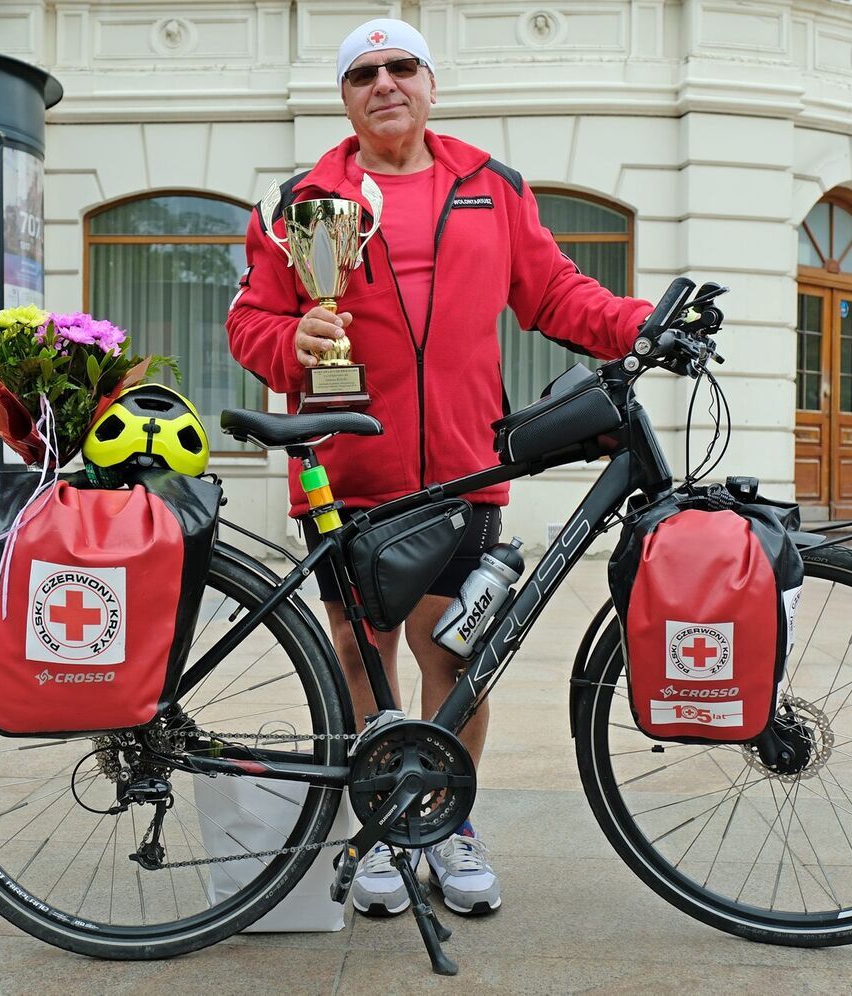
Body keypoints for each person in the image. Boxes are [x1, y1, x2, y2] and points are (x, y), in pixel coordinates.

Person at [226, 18, 653, 920]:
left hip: (463, 467)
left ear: (430, 83)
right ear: (345, 98)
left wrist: (639, 324)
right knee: (360, 651)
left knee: (455, 657)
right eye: (363, 73)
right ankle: (376, 823)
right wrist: (289, 338)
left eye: (401, 66)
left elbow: (552, 293)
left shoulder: (489, 187)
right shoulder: (304, 200)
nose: (385, 83)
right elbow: (249, 321)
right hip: (348, 467)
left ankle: (447, 821)